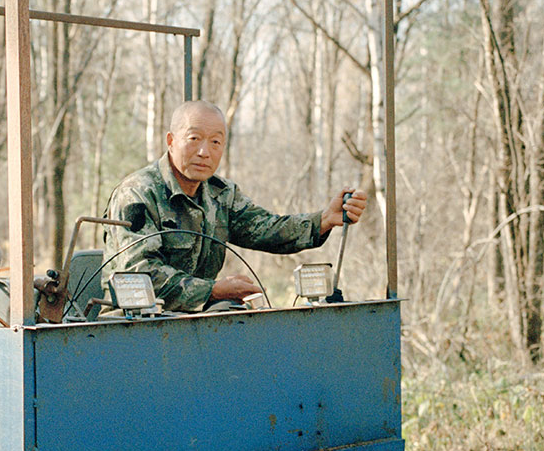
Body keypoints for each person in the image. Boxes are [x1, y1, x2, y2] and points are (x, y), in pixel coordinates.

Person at [106, 99, 366, 311]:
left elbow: (266, 229)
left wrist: (324, 220)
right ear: (171, 141)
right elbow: (140, 278)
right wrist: (214, 290)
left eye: (215, 142)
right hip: (136, 324)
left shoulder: (221, 194)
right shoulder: (137, 193)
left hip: (195, 320)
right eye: (194, 138)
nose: (204, 152)